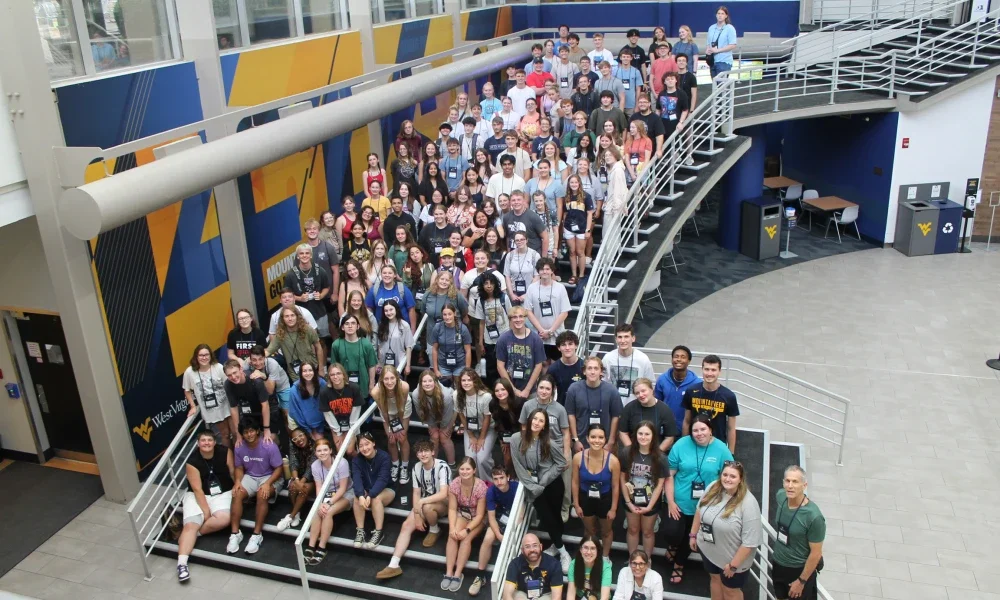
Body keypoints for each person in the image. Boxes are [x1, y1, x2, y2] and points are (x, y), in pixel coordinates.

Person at [665, 414, 734, 585]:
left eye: (703, 429)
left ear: (711, 430)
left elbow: (730, 477)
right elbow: (669, 475)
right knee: (672, 533)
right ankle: (674, 546)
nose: (699, 433)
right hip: (680, 503)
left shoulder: (721, 449)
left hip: (706, 506)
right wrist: (671, 502)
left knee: (692, 536)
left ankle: (679, 563)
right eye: (695, 430)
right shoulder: (681, 444)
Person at [376, 440, 453, 579]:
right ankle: (394, 565)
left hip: (444, 503)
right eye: (419, 451)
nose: (423, 454)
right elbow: (416, 493)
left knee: (428, 507)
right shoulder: (416, 467)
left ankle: (434, 529)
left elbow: (443, 493)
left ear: (433, 452)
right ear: (416, 455)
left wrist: (421, 503)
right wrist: (417, 514)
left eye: (426, 450)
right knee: (406, 525)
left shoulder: (442, 466)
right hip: (424, 502)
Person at [690, 461, 762, 600]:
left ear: (740, 479)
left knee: (730, 592)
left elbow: (750, 542)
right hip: (709, 551)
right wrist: (693, 534)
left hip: (731, 561)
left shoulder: (749, 504)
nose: (727, 479)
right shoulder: (713, 487)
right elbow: (699, 510)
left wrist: (733, 566)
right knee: (715, 581)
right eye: (725, 474)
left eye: (733, 476)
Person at [510, 411, 571, 573]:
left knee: (555, 517)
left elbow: (562, 463)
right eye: (535, 419)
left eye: (541, 420)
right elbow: (518, 466)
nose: (537, 422)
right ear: (529, 420)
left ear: (545, 425)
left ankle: (555, 545)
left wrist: (543, 481)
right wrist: (533, 486)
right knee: (547, 518)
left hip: (552, 485)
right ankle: (564, 552)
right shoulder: (516, 439)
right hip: (534, 488)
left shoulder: (549, 442)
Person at [177, 429, 234, 582]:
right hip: (199, 495)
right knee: (190, 525)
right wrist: (206, 511)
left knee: (224, 519)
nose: (207, 443)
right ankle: (182, 564)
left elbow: (233, 471)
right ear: (198, 443)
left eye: (209, 440)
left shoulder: (225, 452)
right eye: (203, 440)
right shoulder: (192, 461)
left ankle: (192, 536)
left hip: (222, 493)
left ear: (215, 442)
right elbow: (197, 489)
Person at [227, 418, 283, 555]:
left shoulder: (269, 445)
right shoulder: (239, 446)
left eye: (251, 431)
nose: (249, 434)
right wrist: (238, 481)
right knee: (236, 493)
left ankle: (257, 535)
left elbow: (279, 469)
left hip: (270, 476)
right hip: (251, 476)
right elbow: (239, 467)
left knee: (262, 494)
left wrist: (268, 484)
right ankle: (235, 534)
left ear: (257, 431)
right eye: (246, 432)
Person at [520, 375, 572, 519]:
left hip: (558, 450)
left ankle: (565, 507)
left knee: (565, 482)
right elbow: (524, 427)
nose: (544, 391)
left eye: (547, 389)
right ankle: (538, 510)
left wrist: (566, 454)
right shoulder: (528, 406)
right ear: (537, 387)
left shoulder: (559, 409)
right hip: (536, 450)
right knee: (538, 481)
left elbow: (566, 432)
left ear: (553, 390)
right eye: (541, 387)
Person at [772, 466, 826, 600]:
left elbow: (816, 553)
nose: (790, 486)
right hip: (779, 564)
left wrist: (801, 581)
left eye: (795, 482)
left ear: (804, 485)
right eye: (787, 481)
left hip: (799, 569)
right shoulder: (781, 497)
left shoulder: (813, 517)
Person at [468, 466, 520, 596]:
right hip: (500, 516)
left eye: (502, 478)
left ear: (508, 477)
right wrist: (499, 535)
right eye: (495, 479)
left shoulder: (516, 487)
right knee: (488, 538)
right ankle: (480, 576)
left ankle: (514, 580)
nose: (499, 482)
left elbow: (521, 514)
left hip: (515, 517)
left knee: (515, 540)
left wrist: (508, 535)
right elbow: (491, 517)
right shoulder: (491, 491)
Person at [619, 420, 668, 557]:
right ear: (635, 435)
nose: (643, 437)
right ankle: (632, 559)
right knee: (633, 529)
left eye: (647, 434)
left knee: (647, 532)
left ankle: (647, 561)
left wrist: (650, 506)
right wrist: (628, 502)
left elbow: (660, 485)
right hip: (631, 500)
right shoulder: (626, 453)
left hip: (650, 503)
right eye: (640, 433)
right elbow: (622, 478)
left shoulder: (660, 458)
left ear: (653, 436)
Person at [572, 424, 620, 559]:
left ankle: (605, 557)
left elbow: (616, 486)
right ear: (587, 438)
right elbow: (575, 482)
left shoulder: (613, 461)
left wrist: (614, 509)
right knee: (589, 530)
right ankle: (589, 554)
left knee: (606, 531)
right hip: (585, 499)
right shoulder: (578, 458)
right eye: (593, 437)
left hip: (605, 499)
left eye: (600, 437)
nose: (596, 440)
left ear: (605, 440)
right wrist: (576, 504)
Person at [302, 437, 352, 566]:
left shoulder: (342, 463)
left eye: (325, 450)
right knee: (317, 510)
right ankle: (311, 546)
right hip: (327, 495)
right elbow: (319, 487)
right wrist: (320, 503)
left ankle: (322, 547)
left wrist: (328, 503)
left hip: (346, 493)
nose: (322, 453)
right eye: (319, 450)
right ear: (315, 453)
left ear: (331, 450)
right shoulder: (315, 466)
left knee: (328, 512)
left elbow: (343, 488)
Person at [442, 457, 489, 591]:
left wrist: (467, 530)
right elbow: (451, 508)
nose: (464, 471)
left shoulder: (481, 487)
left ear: (474, 470)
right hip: (462, 514)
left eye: (468, 469)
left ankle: (458, 574)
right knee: (453, 535)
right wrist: (452, 528)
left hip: (477, 518)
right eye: (462, 469)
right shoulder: (455, 484)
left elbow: (480, 515)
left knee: (466, 539)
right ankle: (449, 572)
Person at [682, 354, 739, 454]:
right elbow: (686, 421)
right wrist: (684, 446)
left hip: (717, 447)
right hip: (694, 445)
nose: (709, 373)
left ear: (719, 371)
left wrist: (731, 455)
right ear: (702, 369)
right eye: (707, 369)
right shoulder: (691, 391)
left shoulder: (729, 396)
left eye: (713, 370)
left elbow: (731, 428)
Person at [565, 357, 621, 454]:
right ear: (584, 371)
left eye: (596, 368)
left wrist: (611, 442)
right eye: (589, 368)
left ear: (601, 372)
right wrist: (575, 440)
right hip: (581, 442)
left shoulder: (611, 390)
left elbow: (616, 416)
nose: (592, 372)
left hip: (604, 442)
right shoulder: (573, 389)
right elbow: (570, 415)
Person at [351, 431, 396, 549]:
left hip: (386, 489)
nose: (364, 448)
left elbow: (382, 479)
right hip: (367, 490)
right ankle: (360, 531)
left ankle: (378, 531)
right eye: (360, 446)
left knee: (376, 498)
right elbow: (356, 479)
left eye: (367, 444)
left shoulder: (384, 457)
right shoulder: (356, 460)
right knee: (356, 497)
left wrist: (370, 495)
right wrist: (361, 495)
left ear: (373, 443)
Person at [184, 344, 235, 444]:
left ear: (211, 355)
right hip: (212, 411)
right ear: (196, 356)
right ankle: (228, 459)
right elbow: (187, 390)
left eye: (206, 354)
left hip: (227, 405)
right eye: (201, 355)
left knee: (236, 432)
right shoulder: (189, 372)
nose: (204, 357)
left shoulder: (218, 367)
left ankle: (238, 457)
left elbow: (229, 384)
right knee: (225, 435)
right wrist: (193, 406)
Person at [284, 244, 332, 346]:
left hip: (319, 312)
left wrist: (321, 295)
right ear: (297, 256)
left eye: (307, 253)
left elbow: (327, 287)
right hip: (300, 314)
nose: (304, 255)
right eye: (301, 253)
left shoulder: (320, 270)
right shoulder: (291, 274)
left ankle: (322, 363)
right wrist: (299, 298)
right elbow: (286, 295)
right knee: (304, 342)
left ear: (311, 255)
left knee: (321, 342)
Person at [372, 365, 413, 484]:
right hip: (387, 411)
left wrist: (399, 428)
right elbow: (384, 412)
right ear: (381, 380)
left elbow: (401, 409)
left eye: (392, 378)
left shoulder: (404, 386)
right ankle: (395, 464)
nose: (389, 382)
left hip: (403, 409)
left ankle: (404, 467)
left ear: (397, 378)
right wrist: (390, 429)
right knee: (391, 439)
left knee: (402, 437)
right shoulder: (376, 392)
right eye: (386, 379)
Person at [525, 258, 571, 361]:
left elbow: (564, 312)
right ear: (538, 271)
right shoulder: (532, 288)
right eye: (542, 269)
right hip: (539, 335)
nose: (544, 271)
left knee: (557, 363)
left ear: (552, 271)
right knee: (542, 364)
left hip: (557, 334)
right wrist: (541, 331)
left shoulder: (560, 288)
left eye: (547, 269)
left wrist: (550, 331)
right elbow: (528, 311)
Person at [471, 269, 512, 385]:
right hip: (489, 339)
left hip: (505, 337)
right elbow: (481, 322)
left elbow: (511, 317)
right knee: (491, 368)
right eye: (486, 283)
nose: (489, 286)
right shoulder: (481, 301)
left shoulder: (504, 298)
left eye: (491, 283)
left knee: (505, 366)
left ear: (495, 284)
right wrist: (480, 341)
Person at [497, 306, 547, 400]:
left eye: (521, 316)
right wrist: (513, 389)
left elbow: (538, 366)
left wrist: (527, 390)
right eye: (514, 317)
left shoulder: (535, 339)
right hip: (509, 389)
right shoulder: (503, 339)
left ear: (525, 318)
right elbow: (500, 366)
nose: (518, 319)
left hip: (530, 390)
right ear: (510, 320)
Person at [223, 360, 276, 446]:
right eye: (229, 375)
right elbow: (234, 408)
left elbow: (265, 405)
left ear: (241, 369)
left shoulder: (255, 381)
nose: (233, 377)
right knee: (247, 438)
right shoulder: (228, 385)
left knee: (271, 439)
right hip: (249, 411)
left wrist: (266, 429)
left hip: (267, 408)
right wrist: (238, 433)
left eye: (234, 372)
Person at [246, 345, 292, 442]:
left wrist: (263, 376)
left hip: (281, 387)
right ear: (250, 359)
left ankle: (293, 440)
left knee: (287, 416)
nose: (257, 363)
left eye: (260, 359)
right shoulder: (247, 364)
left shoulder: (272, 363)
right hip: (263, 391)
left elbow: (271, 390)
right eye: (254, 360)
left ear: (265, 357)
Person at [602, 324, 655, 406]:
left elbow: (651, 384)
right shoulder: (608, 358)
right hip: (612, 407)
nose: (623, 340)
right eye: (620, 337)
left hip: (636, 408)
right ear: (616, 339)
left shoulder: (643, 359)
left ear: (633, 338)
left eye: (626, 336)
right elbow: (602, 383)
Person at [456, 368, 496, 480]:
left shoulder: (486, 396)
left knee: (482, 458)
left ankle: (488, 481)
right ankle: (476, 483)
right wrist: (471, 436)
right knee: (471, 458)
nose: (466, 383)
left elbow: (487, 418)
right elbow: (461, 416)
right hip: (470, 430)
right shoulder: (457, 395)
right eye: (463, 380)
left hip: (487, 429)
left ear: (475, 381)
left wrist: (481, 438)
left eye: (469, 380)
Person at [654, 345, 701, 436]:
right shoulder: (662, 379)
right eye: (676, 356)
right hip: (664, 430)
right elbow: (656, 403)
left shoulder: (697, 384)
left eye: (683, 357)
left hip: (687, 431)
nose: (679, 359)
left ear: (689, 361)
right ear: (672, 360)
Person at [412, 370, 457, 465]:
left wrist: (446, 427)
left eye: (430, 381)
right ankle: (433, 464)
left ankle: (452, 464)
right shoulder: (416, 394)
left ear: (435, 382)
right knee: (434, 437)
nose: (427, 384)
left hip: (450, 413)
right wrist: (431, 426)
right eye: (424, 381)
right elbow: (421, 412)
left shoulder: (446, 395)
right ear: (420, 383)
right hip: (431, 414)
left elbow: (448, 414)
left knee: (444, 438)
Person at [620, 378, 678, 451]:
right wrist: (632, 452)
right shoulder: (629, 408)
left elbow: (669, 437)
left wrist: (657, 454)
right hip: (634, 451)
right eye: (637, 393)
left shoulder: (665, 410)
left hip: (656, 453)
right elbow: (623, 433)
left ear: (652, 389)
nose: (641, 395)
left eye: (643, 391)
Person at [319, 362, 364, 455]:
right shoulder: (324, 392)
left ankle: (359, 464)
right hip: (336, 426)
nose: (335, 377)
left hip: (352, 424)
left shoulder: (354, 388)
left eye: (338, 373)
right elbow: (328, 415)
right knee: (341, 451)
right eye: (332, 374)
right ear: (329, 377)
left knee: (350, 450)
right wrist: (338, 432)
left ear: (343, 375)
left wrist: (351, 432)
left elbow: (356, 412)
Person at [503, 533, 564, 600]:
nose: (532, 550)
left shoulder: (554, 564)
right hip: (523, 595)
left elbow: (557, 597)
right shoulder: (515, 564)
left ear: (540, 547)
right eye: (527, 546)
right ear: (522, 550)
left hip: (545, 595)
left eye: (535, 545)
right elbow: (507, 595)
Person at [330, 314, 378, 396]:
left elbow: (372, 366)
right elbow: (334, 367)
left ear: (358, 326)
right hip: (343, 386)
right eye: (347, 324)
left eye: (353, 323)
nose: (350, 326)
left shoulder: (366, 344)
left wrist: (371, 385)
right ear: (342, 327)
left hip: (363, 385)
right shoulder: (336, 345)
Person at [503, 191, 549, 256]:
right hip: (515, 254)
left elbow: (545, 237)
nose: (516, 202)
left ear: (524, 201)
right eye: (513, 200)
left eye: (519, 200)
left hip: (532, 254)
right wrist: (509, 254)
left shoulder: (533, 216)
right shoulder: (506, 217)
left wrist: (543, 259)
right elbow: (508, 237)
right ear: (510, 202)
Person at [287, 363, 326, 439]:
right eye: (304, 371)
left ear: (314, 371)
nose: (308, 373)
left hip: (321, 424)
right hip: (302, 425)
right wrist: (308, 432)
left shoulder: (322, 383)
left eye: (310, 370)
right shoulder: (294, 390)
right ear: (301, 373)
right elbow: (295, 413)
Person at [547, 331, 584, 405]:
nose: (567, 348)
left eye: (570, 344)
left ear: (576, 345)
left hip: (581, 409)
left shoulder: (584, 366)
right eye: (563, 345)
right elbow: (548, 392)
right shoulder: (553, 369)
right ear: (558, 348)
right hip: (561, 409)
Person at [657, 72, 690, 144]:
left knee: (675, 146)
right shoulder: (661, 94)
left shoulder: (682, 94)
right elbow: (658, 109)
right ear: (664, 82)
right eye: (668, 79)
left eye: (672, 79)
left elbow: (685, 110)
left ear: (676, 80)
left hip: (675, 124)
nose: (670, 81)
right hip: (663, 124)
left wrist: (681, 122)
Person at [629, 93, 665, 157]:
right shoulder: (634, 117)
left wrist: (659, 150)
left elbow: (659, 136)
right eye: (640, 102)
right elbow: (629, 134)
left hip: (650, 152)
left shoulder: (656, 118)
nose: (642, 104)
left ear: (649, 104)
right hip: (635, 152)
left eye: (645, 102)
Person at [706, 7, 738, 77]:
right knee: (715, 85)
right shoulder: (711, 28)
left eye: (722, 14)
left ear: (726, 16)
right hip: (712, 61)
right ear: (716, 15)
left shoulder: (730, 28)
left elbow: (733, 45)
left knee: (721, 85)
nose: (720, 15)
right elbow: (708, 43)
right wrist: (708, 51)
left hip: (724, 61)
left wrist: (717, 50)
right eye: (718, 13)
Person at [613, 50, 644, 117]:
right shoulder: (616, 72)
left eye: (627, 57)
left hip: (631, 105)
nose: (625, 58)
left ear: (631, 58)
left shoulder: (636, 71)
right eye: (624, 57)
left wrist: (637, 105)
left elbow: (638, 90)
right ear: (620, 58)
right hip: (618, 105)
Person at [623, 120, 652, 185]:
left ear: (639, 129)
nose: (631, 129)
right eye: (630, 127)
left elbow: (647, 159)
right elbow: (627, 158)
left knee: (641, 187)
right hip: (631, 166)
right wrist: (632, 173)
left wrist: (640, 172)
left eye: (633, 127)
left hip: (642, 166)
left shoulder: (647, 141)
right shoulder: (628, 141)